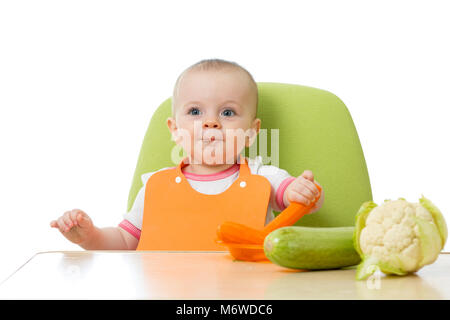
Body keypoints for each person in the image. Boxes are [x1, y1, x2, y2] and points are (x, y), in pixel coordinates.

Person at [50, 58, 324, 250]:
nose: (211, 122)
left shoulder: (264, 178)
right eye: (195, 111)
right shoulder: (155, 185)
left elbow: (298, 199)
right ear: (175, 129)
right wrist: (90, 237)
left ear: (251, 132)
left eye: (227, 112)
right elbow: (125, 242)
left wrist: (304, 192)